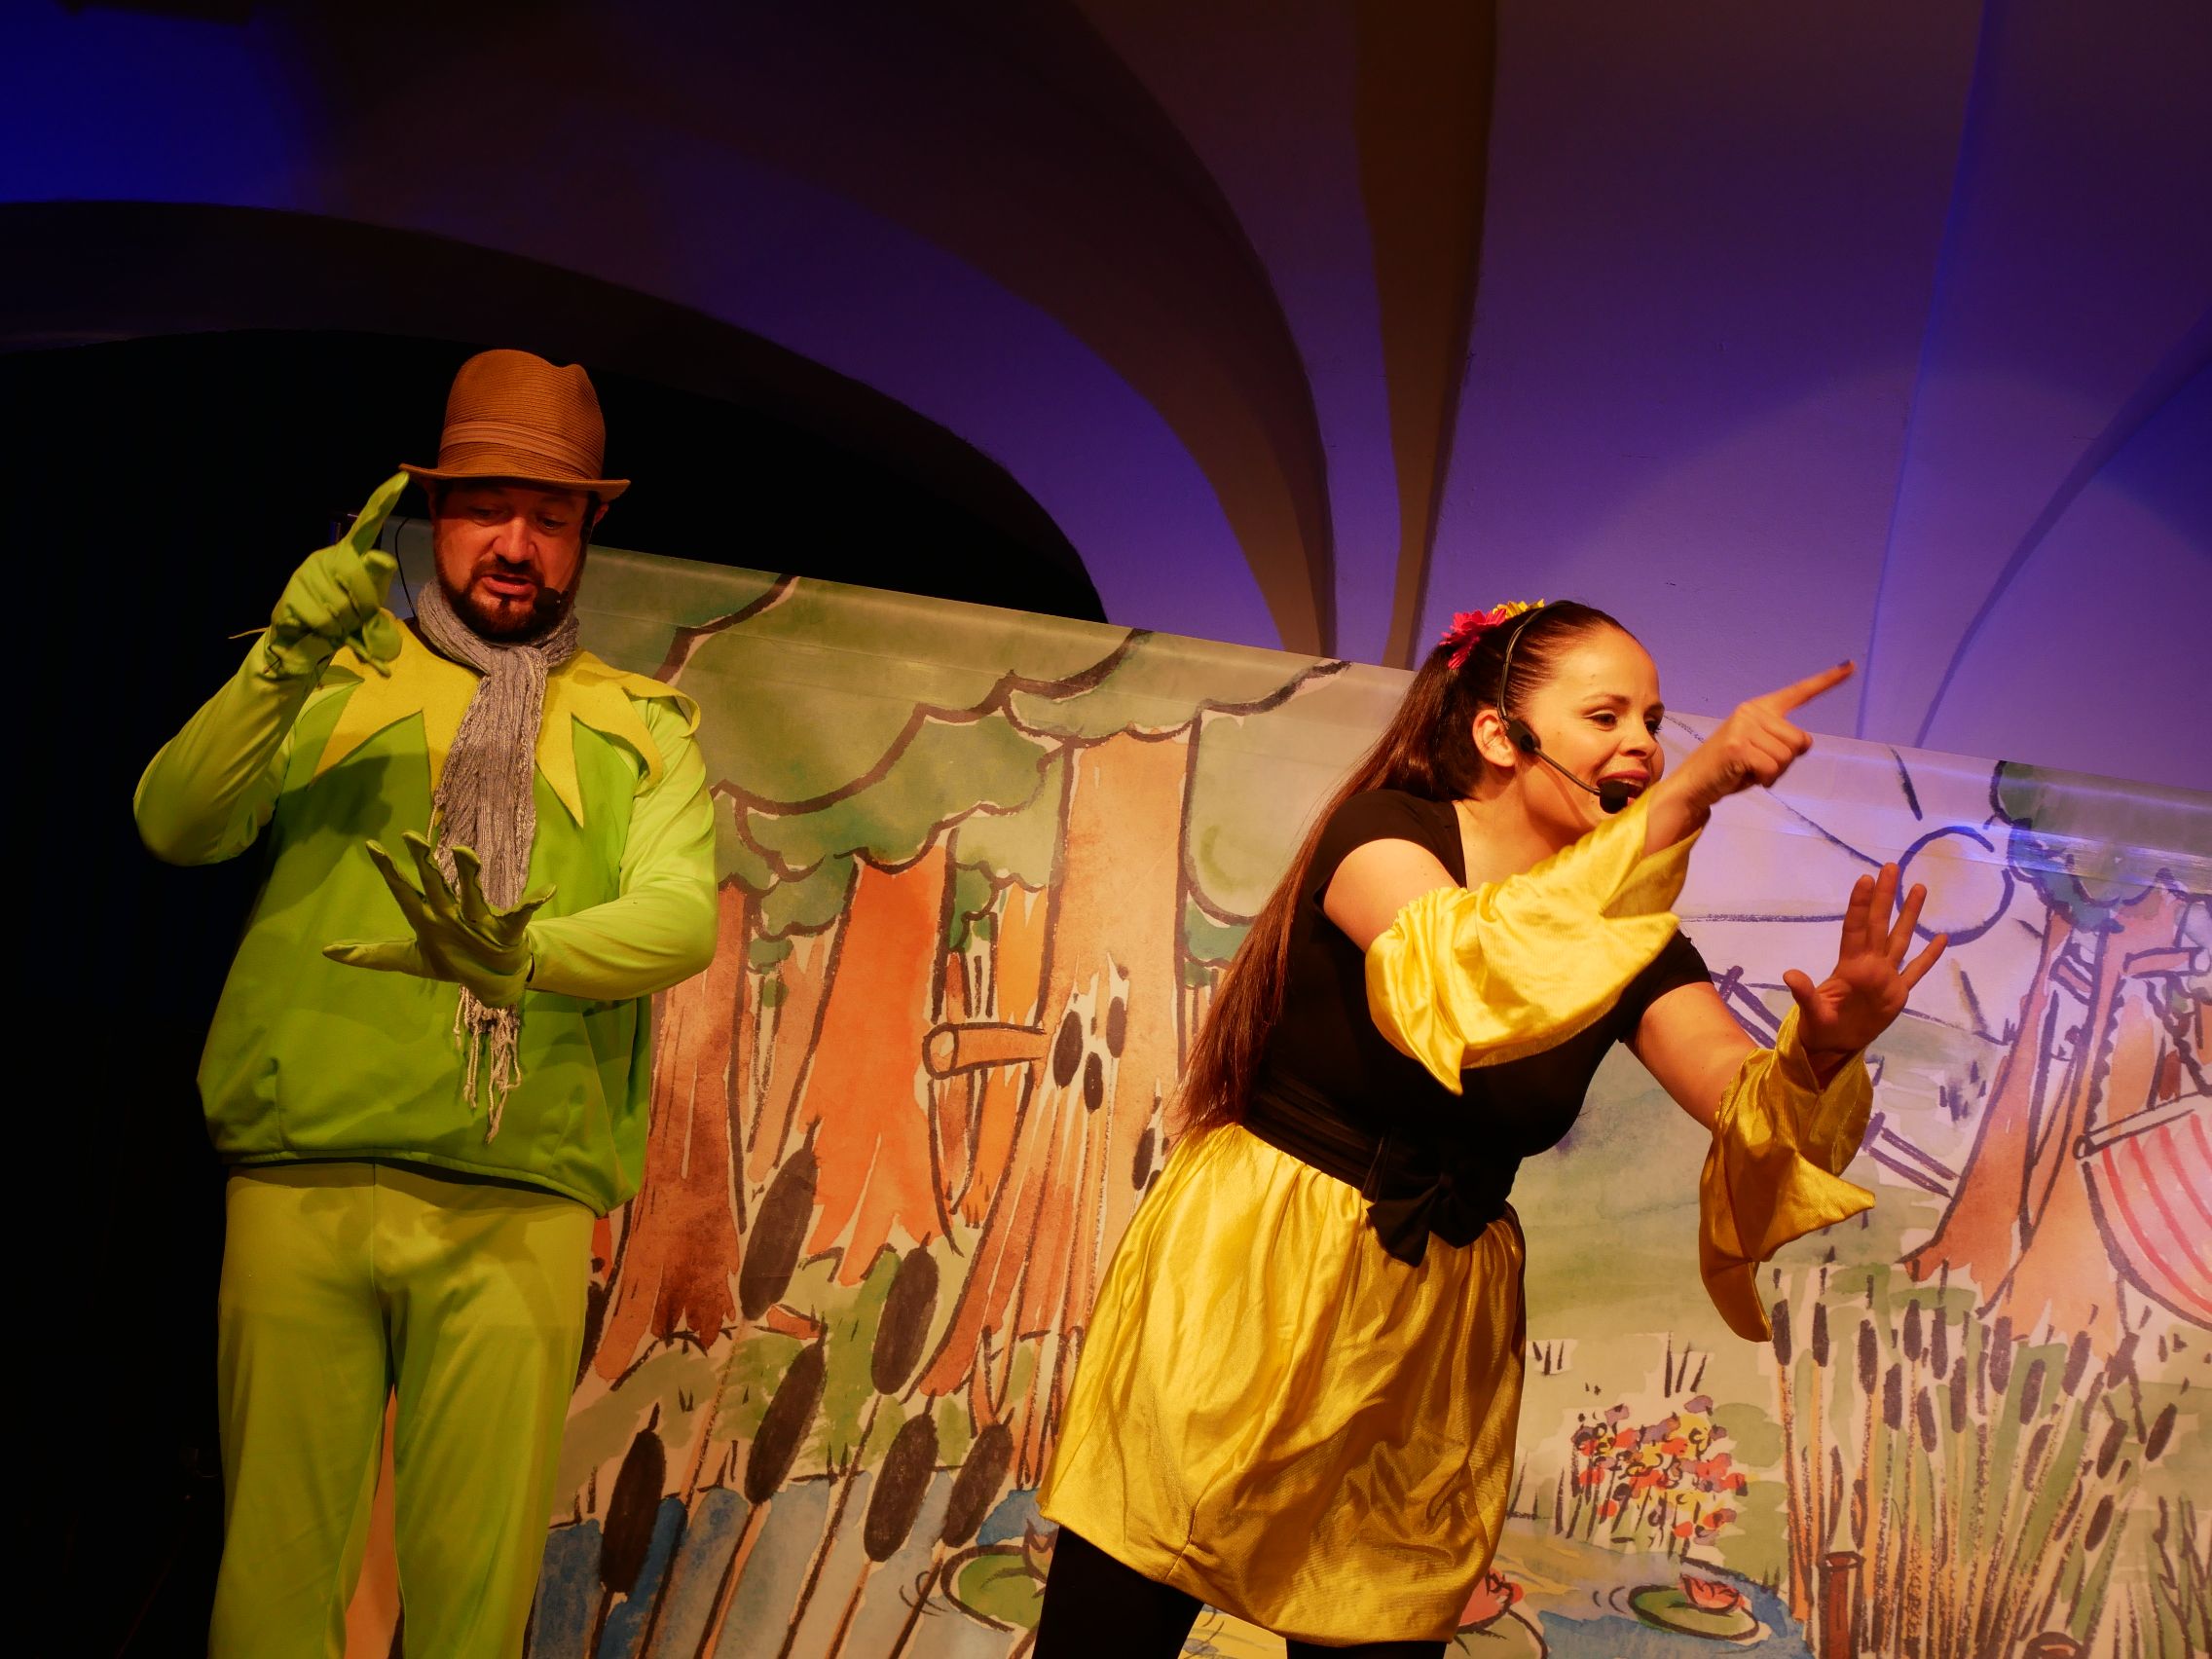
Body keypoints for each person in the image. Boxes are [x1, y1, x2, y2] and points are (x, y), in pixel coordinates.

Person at [1033, 599, 1946, 1657]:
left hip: (1437, 1317)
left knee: (1378, 1622)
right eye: (1605, 716)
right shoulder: (1385, 834)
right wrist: (1692, 792)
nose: (1644, 745)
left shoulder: (1632, 942)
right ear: (1499, 735)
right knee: (1120, 1613)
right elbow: (1469, 976)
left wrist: (1824, 1049)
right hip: (1259, 1267)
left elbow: (1740, 1102)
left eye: (1654, 724)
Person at [134, 349, 718, 1657]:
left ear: (584, 537)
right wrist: (283, 656)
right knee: (276, 1579)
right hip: (305, 1174)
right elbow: (175, 824)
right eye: (486, 508)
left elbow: (681, 915)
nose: (516, 545)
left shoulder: (640, 724)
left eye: (549, 517)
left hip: (514, 1201)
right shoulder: (336, 680)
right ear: (433, 512)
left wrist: (524, 958)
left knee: (473, 1598)